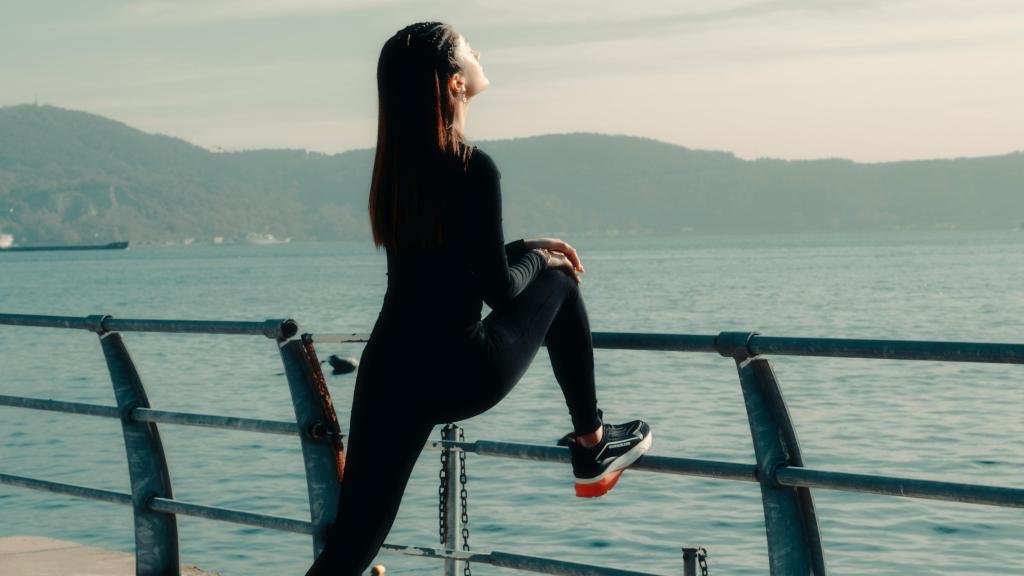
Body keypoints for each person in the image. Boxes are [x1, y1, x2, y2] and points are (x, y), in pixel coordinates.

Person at [305, 21, 652, 575]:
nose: (479, 53)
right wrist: (544, 259)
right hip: (459, 370)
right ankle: (592, 444)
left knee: (351, 546)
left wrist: (524, 247)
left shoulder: (397, 171)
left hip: (390, 372)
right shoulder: (471, 167)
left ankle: (594, 445)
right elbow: (498, 289)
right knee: (561, 282)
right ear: (453, 82)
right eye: (469, 49)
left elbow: (443, 268)